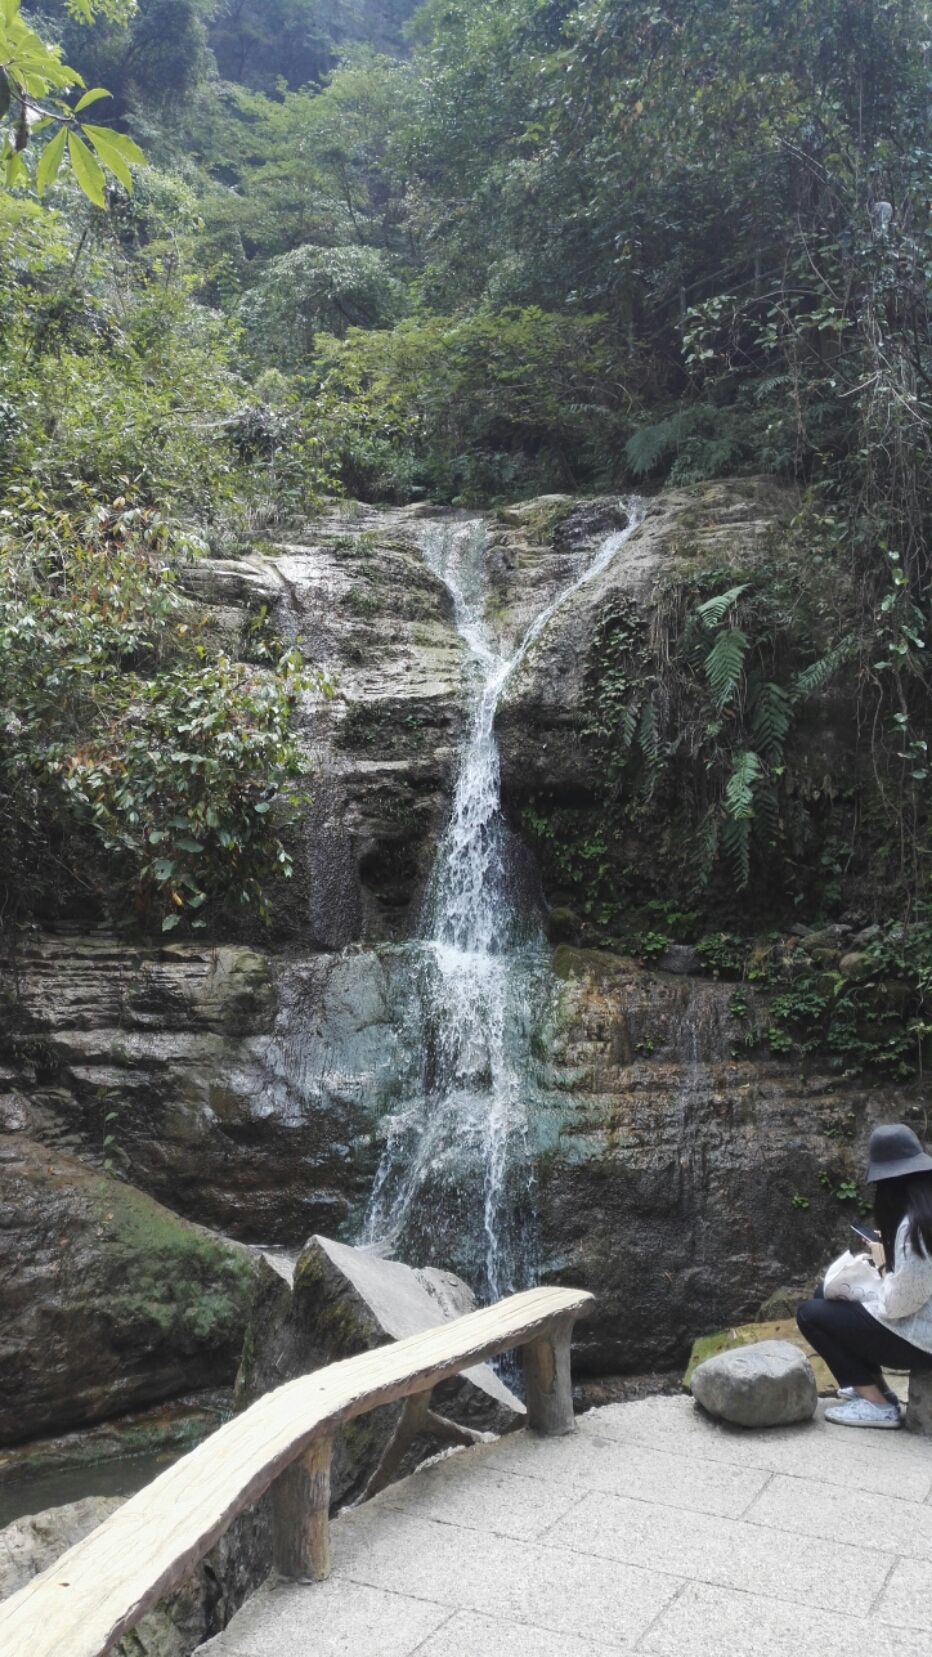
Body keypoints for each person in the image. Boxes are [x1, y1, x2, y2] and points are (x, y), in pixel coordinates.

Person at [796, 1123, 932, 1428]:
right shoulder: (924, 1215)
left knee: (809, 1314)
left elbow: (896, 1307)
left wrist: (883, 1264)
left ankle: (878, 1406)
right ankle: (878, 1390)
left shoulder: (916, 1230)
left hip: (923, 1341)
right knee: (824, 1295)